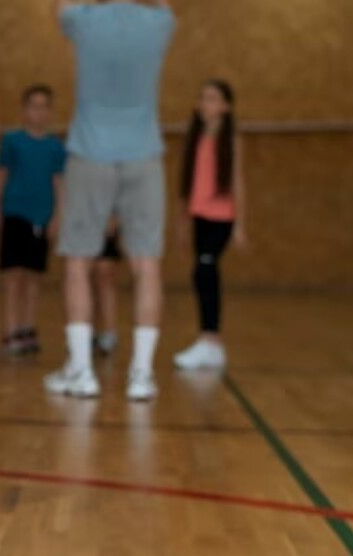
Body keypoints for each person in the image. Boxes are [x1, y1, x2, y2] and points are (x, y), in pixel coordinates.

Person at [44, 0, 175, 400]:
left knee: (78, 261)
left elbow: (59, 6)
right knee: (147, 264)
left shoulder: (83, 21)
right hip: (143, 157)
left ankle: (82, 372)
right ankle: (141, 375)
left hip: (91, 154)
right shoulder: (160, 22)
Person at [174, 79, 246, 370]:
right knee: (203, 273)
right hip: (199, 216)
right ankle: (211, 344)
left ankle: (209, 339)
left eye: (213, 98)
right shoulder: (194, 138)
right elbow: (186, 185)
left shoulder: (232, 140)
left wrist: (240, 224)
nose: (205, 103)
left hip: (222, 218)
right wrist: (180, 221)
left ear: (226, 107)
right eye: (203, 97)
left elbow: (238, 181)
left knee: (204, 269)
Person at [0, 84, 66, 356]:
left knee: (35, 276)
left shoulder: (56, 147)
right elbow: (0, 178)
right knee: (13, 275)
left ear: (50, 112)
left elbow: (59, 184)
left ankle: (27, 328)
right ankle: (10, 331)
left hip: (41, 217)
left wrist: (57, 216)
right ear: (24, 111)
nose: (39, 111)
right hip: (14, 213)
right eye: (33, 105)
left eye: (44, 106)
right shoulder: (12, 141)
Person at [93, 227, 124, 355]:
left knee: (105, 272)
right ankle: (86, 330)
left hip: (106, 218)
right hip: (83, 219)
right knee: (85, 275)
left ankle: (109, 331)